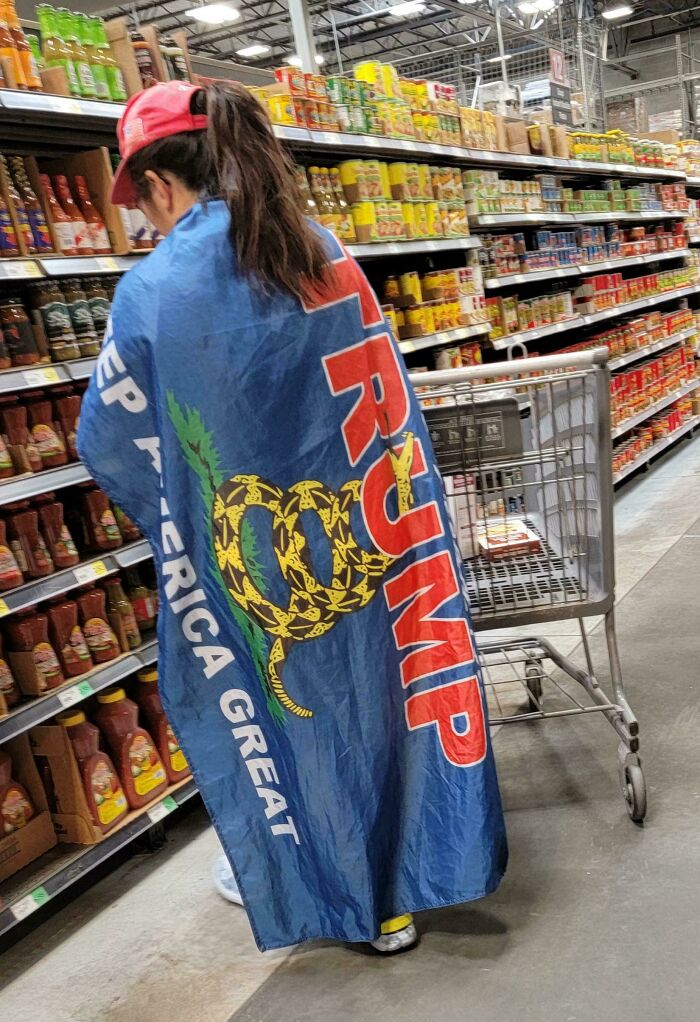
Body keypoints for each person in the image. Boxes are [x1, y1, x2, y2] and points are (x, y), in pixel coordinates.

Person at [78, 80, 507, 955]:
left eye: (142, 202)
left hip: (259, 562)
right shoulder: (320, 247)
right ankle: (409, 876)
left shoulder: (156, 290)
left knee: (294, 715)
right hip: (373, 537)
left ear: (159, 185)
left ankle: (350, 899)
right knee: (382, 701)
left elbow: (111, 436)